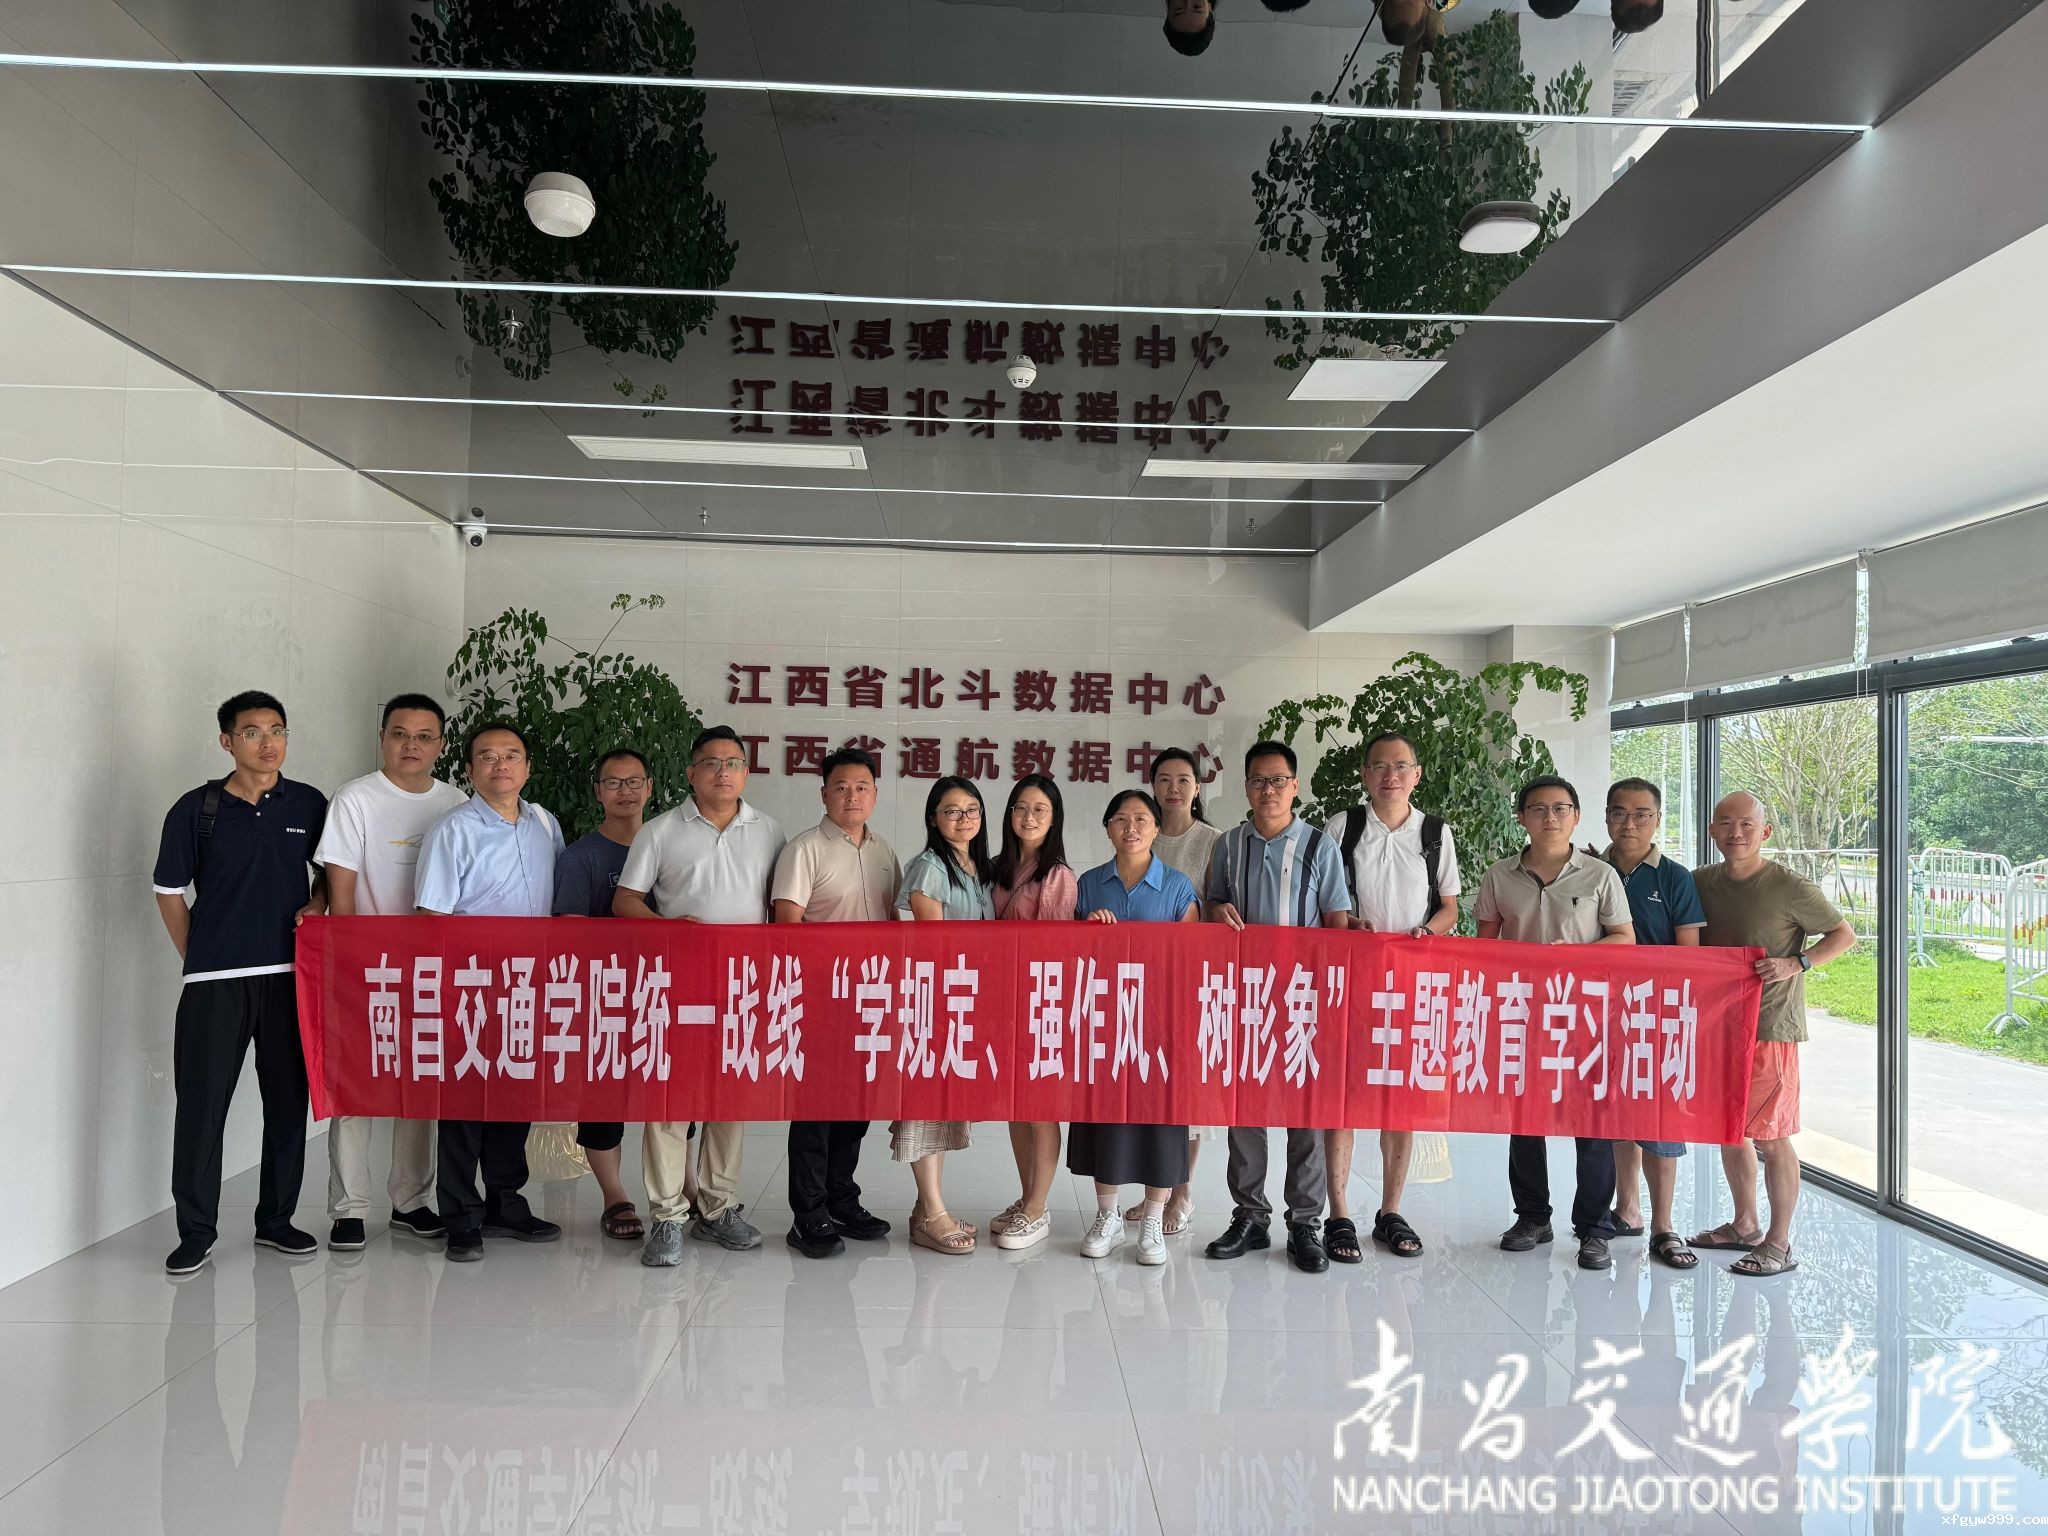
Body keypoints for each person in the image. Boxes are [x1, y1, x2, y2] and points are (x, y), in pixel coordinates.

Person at [152, 691, 327, 1276]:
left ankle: (276, 1220)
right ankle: (196, 1231)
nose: (267, 742)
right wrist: (200, 958)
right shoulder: (195, 809)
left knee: (287, 1105)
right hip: (216, 985)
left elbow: (329, 875)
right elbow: (168, 892)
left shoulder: (308, 802)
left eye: (277, 730)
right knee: (201, 1109)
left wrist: (317, 905)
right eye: (252, 732)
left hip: (289, 978)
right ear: (227, 741)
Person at [616, 726, 787, 1265]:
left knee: (728, 1101)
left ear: (746, 773)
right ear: (691, 773)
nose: (722, 772)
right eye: (711, 763)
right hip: (677, 987)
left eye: (732, 763)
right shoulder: (660, 831)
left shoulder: (769, 831)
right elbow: (626, 901)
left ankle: (717, 1209)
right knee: (670, 1102)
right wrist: (668, 930)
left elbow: (779, 911)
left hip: (741, 989)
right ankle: (667, 1217)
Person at [312, 693, 465, 1252]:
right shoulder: (355, 798)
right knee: (356, 1088)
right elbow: (341, 888)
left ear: (441, 745)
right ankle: (349, 1209)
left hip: (431, 971)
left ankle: (411, 1201)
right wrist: (349, 960)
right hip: (367, 968)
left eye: (424, 737)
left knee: (420, 1088)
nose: (411, 746)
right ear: (382, 738)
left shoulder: (456, 802)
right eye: (400, 734)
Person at [414, 721, 565, 1262]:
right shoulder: (453, 829)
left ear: (527, 766)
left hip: (529, 983)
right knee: (464, 1101)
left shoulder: (544, 823)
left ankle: (506, 1203)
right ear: (469, 769)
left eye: (511, 755)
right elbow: (432, 915)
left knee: (514, 1094)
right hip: (471, 985)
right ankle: (460, 1215)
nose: (501, 765)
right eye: (487, 756)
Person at [1690, 792, 1856, 1278]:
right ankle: (1745, 1225)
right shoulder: (1700, 882)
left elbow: (1843, 935)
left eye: (1747, 824)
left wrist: (1796, 963)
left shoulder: (1790, 886)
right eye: (1726, 823)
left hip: (1770, 1028)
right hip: (1717, 1026)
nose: (1736, 832)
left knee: (1772, 1136)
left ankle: (1779, 1243)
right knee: (1730, 1129)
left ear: (1765, 832)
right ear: (1713, 831)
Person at [1474, 775, 1635, 1272]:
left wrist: (1579, 955)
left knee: (1593, 1122)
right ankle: (1532, 1217)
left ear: (1576, 816)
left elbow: (1624, 938)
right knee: (1525, 1121)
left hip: (1585, 1016)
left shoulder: (1600, 875)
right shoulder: (1499, 875)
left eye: (1560, 808)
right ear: (1521, 817)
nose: (1550, 817)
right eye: (1539, 808)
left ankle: (1594, 1229)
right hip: (1522, 1015)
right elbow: (1484, 947)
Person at [1204, 741, 1351, 1273]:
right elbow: (1212, 904)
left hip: (1303, 998)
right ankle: (1250, 1215)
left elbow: (1336, 923)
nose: (1268, 790)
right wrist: (1218, 911)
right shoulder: (1227, 844)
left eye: (1278, 780)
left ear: (1295, 786)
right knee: (1244, 1109)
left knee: (1306, 1111)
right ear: (1245, 787)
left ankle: (1305, 1222)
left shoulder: (1318, 845)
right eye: (1258, 781)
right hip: (1244, 996)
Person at [1320, 731, 1461, 1265]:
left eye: (1400, 766)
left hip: (1412, 982)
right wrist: (1348, 923)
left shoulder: (1435, 832)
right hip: (1352, 981)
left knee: (1401, 1096)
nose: (1390, 775)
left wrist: (1429, 930)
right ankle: (1339, 1212)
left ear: (1416, 775)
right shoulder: (1343, 826)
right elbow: (1326, 900)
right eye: (1379, 766)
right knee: (1343, 1093)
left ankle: (1391, 1210)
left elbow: (1450, 906)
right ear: (1364, 774)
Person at [773, 748, 902, 1259]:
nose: (852, 796)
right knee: (816, 1110)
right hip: (820, 998)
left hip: (871, 998)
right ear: (824, 793)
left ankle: (842, 1200)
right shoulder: (804, 849)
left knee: (857, 1105)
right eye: (842, 787)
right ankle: (808, 1214)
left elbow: (893, 922)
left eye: (862, 787)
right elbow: (787, 924)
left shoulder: (884, 850)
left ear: (875, 794)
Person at [1073, 790, 1202, 1266]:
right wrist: (1088, 928)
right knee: (1106, 1115)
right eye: (1121, 819)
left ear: (1156, 828)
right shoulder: (1088, 884)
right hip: (1105, 1019)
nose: (1132, 828)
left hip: (1161, 1020)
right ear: (1108, 828)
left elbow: (1192, 957)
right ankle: (1106, 1215)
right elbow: (1068, 953)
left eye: (1142, 819)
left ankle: (1152, 1217)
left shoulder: (1178, 886)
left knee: (1162, 1118)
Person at [1602, 777, 1707, 1272]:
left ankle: (1665, 1225)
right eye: (1619, 813)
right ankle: (1628, 1210)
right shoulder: (1590, 869)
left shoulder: (1674, 877)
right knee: (1617, 1114)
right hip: (1603, 1013)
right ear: (1606, 817)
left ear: (1657, 820)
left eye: (1641, 814)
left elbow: (1689, 956)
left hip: (1659, 1014)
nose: (1630, 824)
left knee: (1661, 1120)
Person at [551, 747, 652, 1246]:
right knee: (604, 1096)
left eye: (634, 782)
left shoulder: (669, 846)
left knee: (673, 1092)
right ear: (598, 792)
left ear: (650, 788)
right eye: (613, 782)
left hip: (664, 991)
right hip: (604, 994)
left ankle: (686, 1186)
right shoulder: (581, 857)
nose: (624, 791)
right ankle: (615, 1195)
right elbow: (570, 932)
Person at [894, 776, 997, 1256]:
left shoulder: (977, 867)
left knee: (942, 1105)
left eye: (972, 809)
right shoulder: (931, 866)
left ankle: (927, 1209)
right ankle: (933, 1212)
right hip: (932, 1001)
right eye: (951, 811)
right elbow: (933, 948)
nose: (963, 818)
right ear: (933, 819)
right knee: (924, 1105)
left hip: (963, 1001)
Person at [988, 774, 1078, 1252]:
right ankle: (1026, 1199)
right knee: (1016, 1107)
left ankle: (1039, 1208)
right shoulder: (996, 867)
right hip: (1000, 1000)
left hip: (1040, 1003)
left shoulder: (1057, 875)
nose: (1029, 817)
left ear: (1054, 818)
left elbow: (1054, 951)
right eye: (1021, 807)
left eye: (1040, 809)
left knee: (1040, 1108)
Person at [1142, 748, 1225, 1235]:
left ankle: (1183, 1192)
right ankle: (1155, 1188)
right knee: (1151, 1083)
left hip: (1192, 979)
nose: (1173, 789)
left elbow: (1219, 908)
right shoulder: (1141, 832)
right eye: (1164, 780)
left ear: (1197, 787)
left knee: (1188, 1087)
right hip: (1144, 980)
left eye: (1183, 780)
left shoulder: (1213, 841)